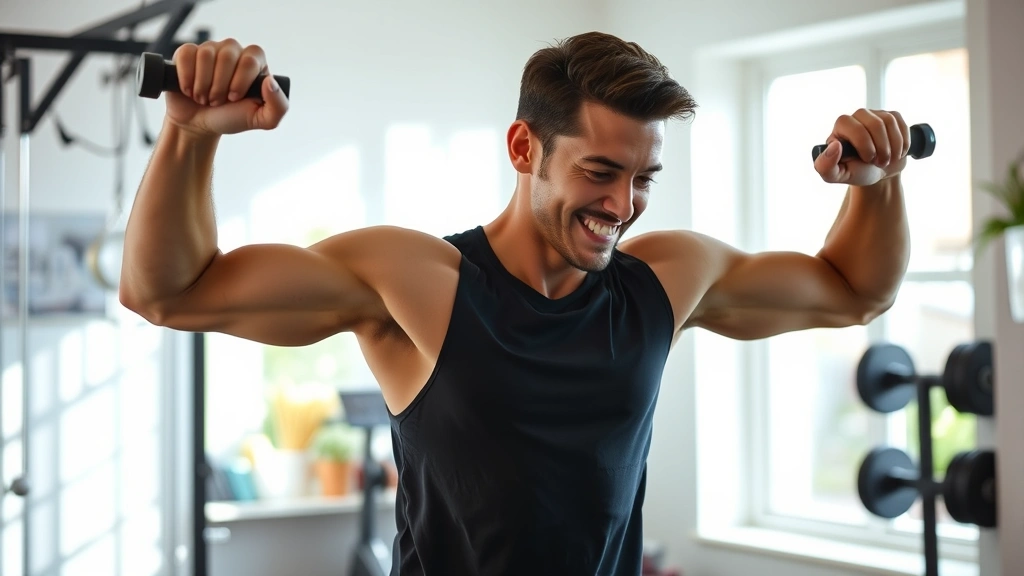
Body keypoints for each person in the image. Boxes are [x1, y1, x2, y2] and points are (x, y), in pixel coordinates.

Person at [120, 31, 911, 576]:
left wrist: (878, 184)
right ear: (525, 148)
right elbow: (169, 292)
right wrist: (192, 134)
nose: (624, 203)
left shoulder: (661, 283)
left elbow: (853, 293)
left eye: (643, 179)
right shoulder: (417, 279)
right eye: (600, 172)